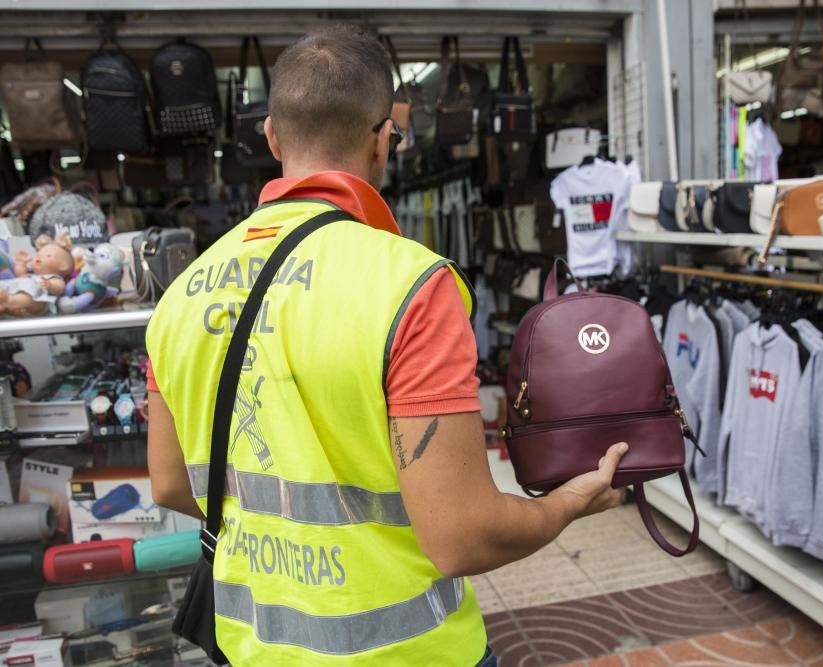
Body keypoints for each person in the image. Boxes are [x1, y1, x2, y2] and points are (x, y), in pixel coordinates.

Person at [145, 26, 629, 667]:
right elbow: (462, 536)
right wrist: (570, 502)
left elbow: (171, 484)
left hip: (248, 650)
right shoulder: (411, 285)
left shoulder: (179, 296)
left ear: (270, 136)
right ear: (384, 140)